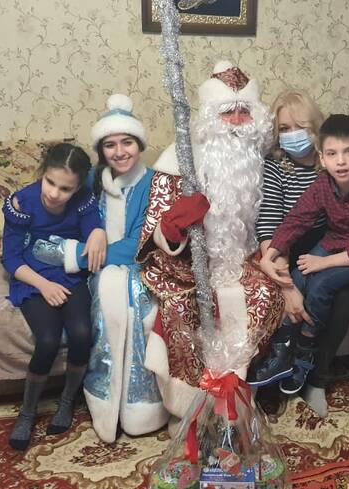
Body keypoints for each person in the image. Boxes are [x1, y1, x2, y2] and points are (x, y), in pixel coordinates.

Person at [137, 60, 284, 419]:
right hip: (188, 266)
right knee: (181, 310)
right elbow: (154, 229)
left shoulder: (261, 161)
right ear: (209, 117)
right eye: (227, 112)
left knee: (267, 295)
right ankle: (190, 410)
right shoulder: (179, 159)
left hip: (245, 259)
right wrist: (174, 227)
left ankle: (237, 392)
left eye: (244, 112)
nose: (236, 121)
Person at [34, 94, 169, 443]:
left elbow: (141, 243)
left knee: (135, 300)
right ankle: (103, 401)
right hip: (95, 271)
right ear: (101, 149)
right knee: (106, 295)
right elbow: (57, 225)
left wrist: (79, 255)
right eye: (110, 145)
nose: (120, 152)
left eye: (127, 142)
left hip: (139, 266)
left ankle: (140, 405)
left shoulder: (155, 182)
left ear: (139, 144)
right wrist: (84, 248)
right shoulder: (90, 180)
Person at [256, 113, 349, 415]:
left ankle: (308, 353)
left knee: (327, 284)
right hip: (336, 242)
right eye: (333, 154)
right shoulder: (323, 182)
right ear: (322, 158)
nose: (341, 161)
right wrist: (269, 256)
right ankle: (286, 348)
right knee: (300, 276)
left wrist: (323, 263)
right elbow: (296, 219)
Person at [1, 142, 106, 451]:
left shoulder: (83, 200)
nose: (55, 193)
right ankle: (28, 411)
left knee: (82, 334)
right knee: (47, 340)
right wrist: (44, 286)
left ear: (78, 187)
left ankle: (67, 400)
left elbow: (93, 225)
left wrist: (98, 232)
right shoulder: (22, 203)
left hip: (70, 274)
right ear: (42, 173)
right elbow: (11, 258)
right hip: (33, 277)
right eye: (50, 182)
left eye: (65, 188)